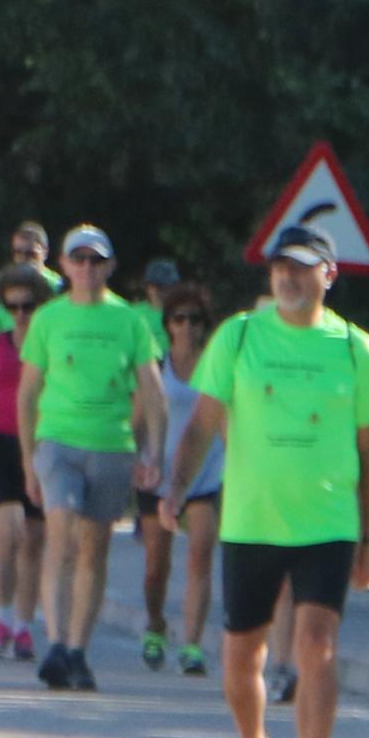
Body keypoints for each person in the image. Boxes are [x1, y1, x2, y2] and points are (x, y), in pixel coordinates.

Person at [179, 224, 369, 738]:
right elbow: (201, 425)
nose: (289, 278)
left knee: (316, 646)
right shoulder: (240, 336)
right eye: (280, 268)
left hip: (327, 522)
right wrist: (174, 487)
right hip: (251, 520)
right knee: (239, 654)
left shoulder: (355, 348)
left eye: (303, 268)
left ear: (329, 275)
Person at [17, 226, 165, 691]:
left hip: (111, 442)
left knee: (95, 546)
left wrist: (153, 450)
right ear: (63, 265)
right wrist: (27, 458)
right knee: (60, 531)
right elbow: (27, 393)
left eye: (95, 260)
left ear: (109, 266)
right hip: (58, 439)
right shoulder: (48, 319)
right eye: (78, 259)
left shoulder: (130, 322)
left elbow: (153, 392)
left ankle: (79, 649)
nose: (86, 268)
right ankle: (57, 642)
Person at [0, 267, 50, 663]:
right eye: (11, 306)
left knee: (34, 541)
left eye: (27, 306)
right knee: (10, 532)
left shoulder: (52, 346)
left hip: (40, 445)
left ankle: (23, 626)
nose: (19, 315)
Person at [138, 287, 222, 676]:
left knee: (200, 555)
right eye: (179, 319)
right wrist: (139, 461)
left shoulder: (216, 369)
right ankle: (155, 625)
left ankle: (192, 644)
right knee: (157, 563)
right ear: (168, 325)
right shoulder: (157, 368)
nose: (186, 327)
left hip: (206, 475)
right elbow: (139, 419)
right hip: (160, 475)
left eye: (194, 320)